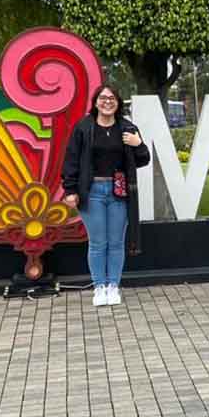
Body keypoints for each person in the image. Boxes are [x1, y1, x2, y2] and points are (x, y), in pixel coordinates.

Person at [62, 85, 150, 306]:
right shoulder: (83, 127)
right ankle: (99, 286)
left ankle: (113, 286)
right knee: (98, 242)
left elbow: (143, 159)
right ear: (96, 102)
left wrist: (138, 145)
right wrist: (70, 190)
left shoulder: (128, 128)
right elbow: (71, 160)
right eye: (103, 98)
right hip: (92, 192)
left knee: (117, 242)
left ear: (118, 103)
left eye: (112, 98)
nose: (107, 102)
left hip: (118, 192)